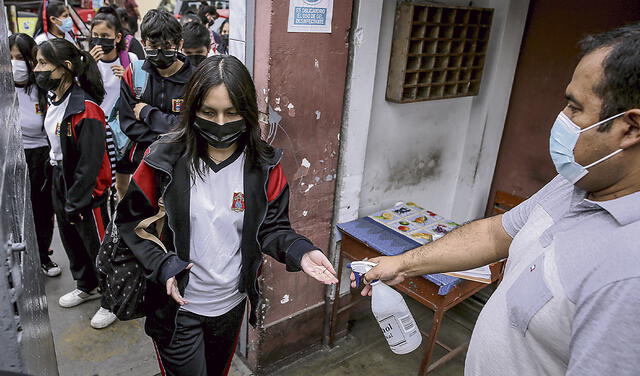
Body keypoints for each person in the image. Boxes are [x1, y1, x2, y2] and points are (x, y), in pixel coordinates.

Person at [352, 25, 640, 376]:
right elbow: (496, 234)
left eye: (574, 108)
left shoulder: (627, 279)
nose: (561, 120)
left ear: (630, 128)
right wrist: (403, 264)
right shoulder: (577, 182)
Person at [115, 55, 338, 376]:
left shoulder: (264, 165)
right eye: (209, 112)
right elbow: (132, 224)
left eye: (231, 112)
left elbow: (272, 228)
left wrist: (301, 251)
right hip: (178, 311)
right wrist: (164, 265)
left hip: (230, 307)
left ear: (247, 111)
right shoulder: (163, 159)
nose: (220, 123)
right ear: (192, 109)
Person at [34, 38, 116, 329]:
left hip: (87, 188)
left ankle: (111, 298)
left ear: (65, 67)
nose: (37, 69)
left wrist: (80, 199)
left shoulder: (87, 108)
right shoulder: (53, 99)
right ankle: (87, 284)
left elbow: (91, 163)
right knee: (71, 238)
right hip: (60, 178)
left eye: (43, 63)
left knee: (97, 244)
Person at [118, 9, 196, 173]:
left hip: (183, 165)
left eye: (167, 46)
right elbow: (129, 123)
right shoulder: (134, 74)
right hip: (142, 162)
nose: (160, 53)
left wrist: (148, 113)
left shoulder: (195, 80)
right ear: (143, 42)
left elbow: (189, 127)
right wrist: (167, 135)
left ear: (179, 44)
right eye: (153, 46)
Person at [10, 33, 60, 277]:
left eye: (20, 57)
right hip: (12, 158)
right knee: (15, 213)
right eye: (10, 57)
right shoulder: (4, 92)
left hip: (40, 157)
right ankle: (18, 259)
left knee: (42, 210)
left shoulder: (42, 90)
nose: (15, 63)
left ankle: (42, 255)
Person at [89, 6, 139, 200]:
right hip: (96, 131)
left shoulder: (130, 59)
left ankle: (121, 223)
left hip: (122, 133)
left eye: (105, 35)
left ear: (117, 37)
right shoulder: (87, 62)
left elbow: (139, 94)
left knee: (122, 185)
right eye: (95, 35)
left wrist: (128, 77)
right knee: (98, 183)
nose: (100, 41)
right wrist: (88, 68)